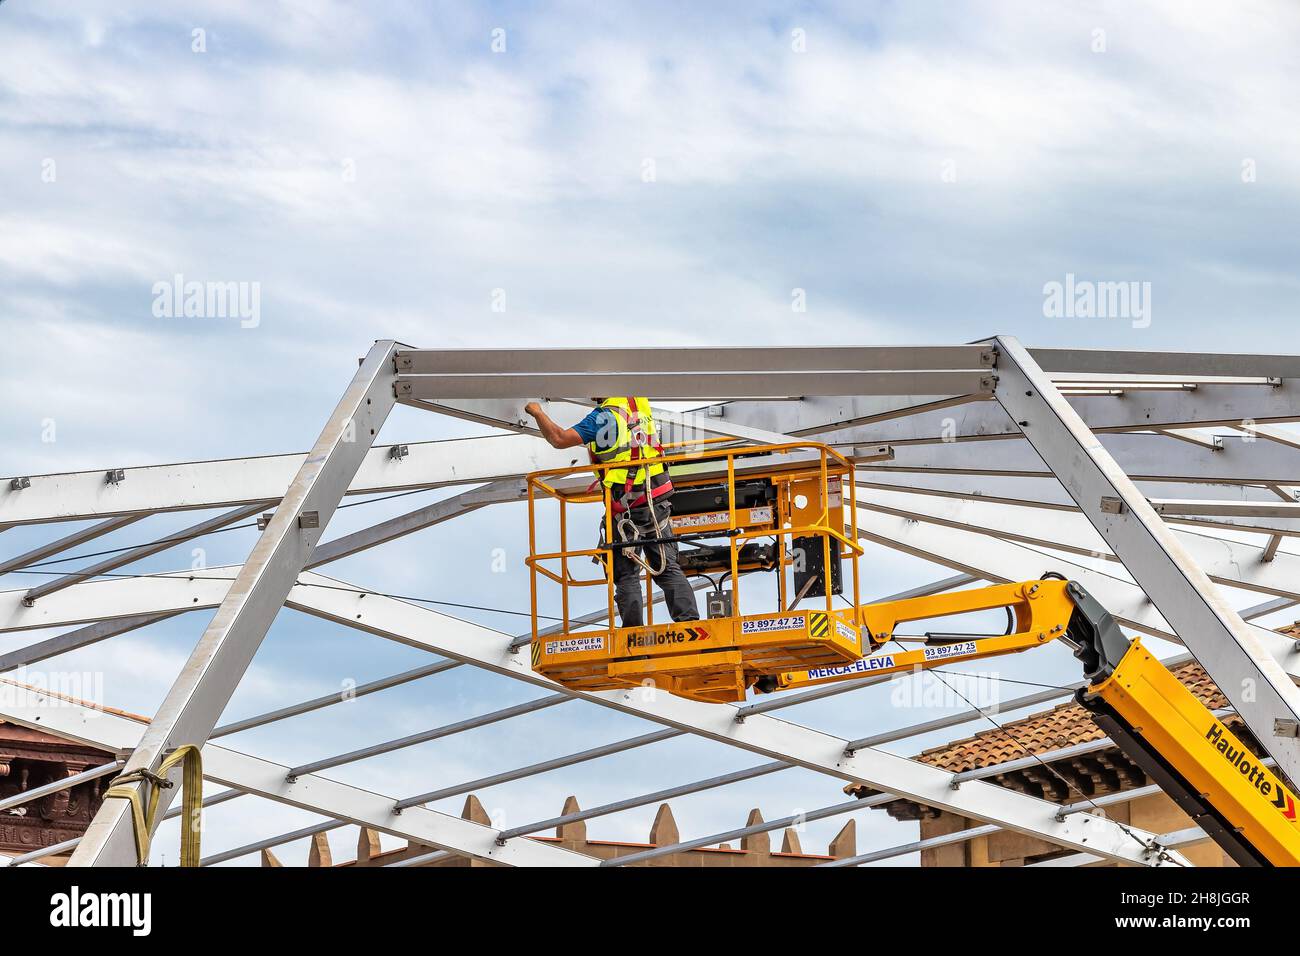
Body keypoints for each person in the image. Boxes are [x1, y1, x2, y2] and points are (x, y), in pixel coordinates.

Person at [524, 398, 698, 627]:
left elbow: (559, 438)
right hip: (657, 501)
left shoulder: (603, 417)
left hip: (626, 508)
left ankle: (633, 633)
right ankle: (689, 624)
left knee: (626, 575)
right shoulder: (639, 405)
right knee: (667, 567)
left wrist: (537, 412)